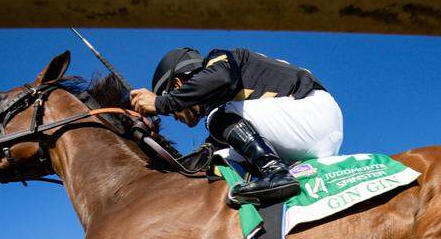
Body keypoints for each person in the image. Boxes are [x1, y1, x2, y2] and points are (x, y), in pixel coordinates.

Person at [129, 47, 343, 206]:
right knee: (221, 154)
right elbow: (204, 157)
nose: (175, 117)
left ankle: (277, 174)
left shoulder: (219, 59)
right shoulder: (235, 118)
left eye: (174, 109)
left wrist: (161, 103)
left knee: (217, 117)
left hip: (313, 114)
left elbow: (220, 78)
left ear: (177, 84)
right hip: (310, 134)